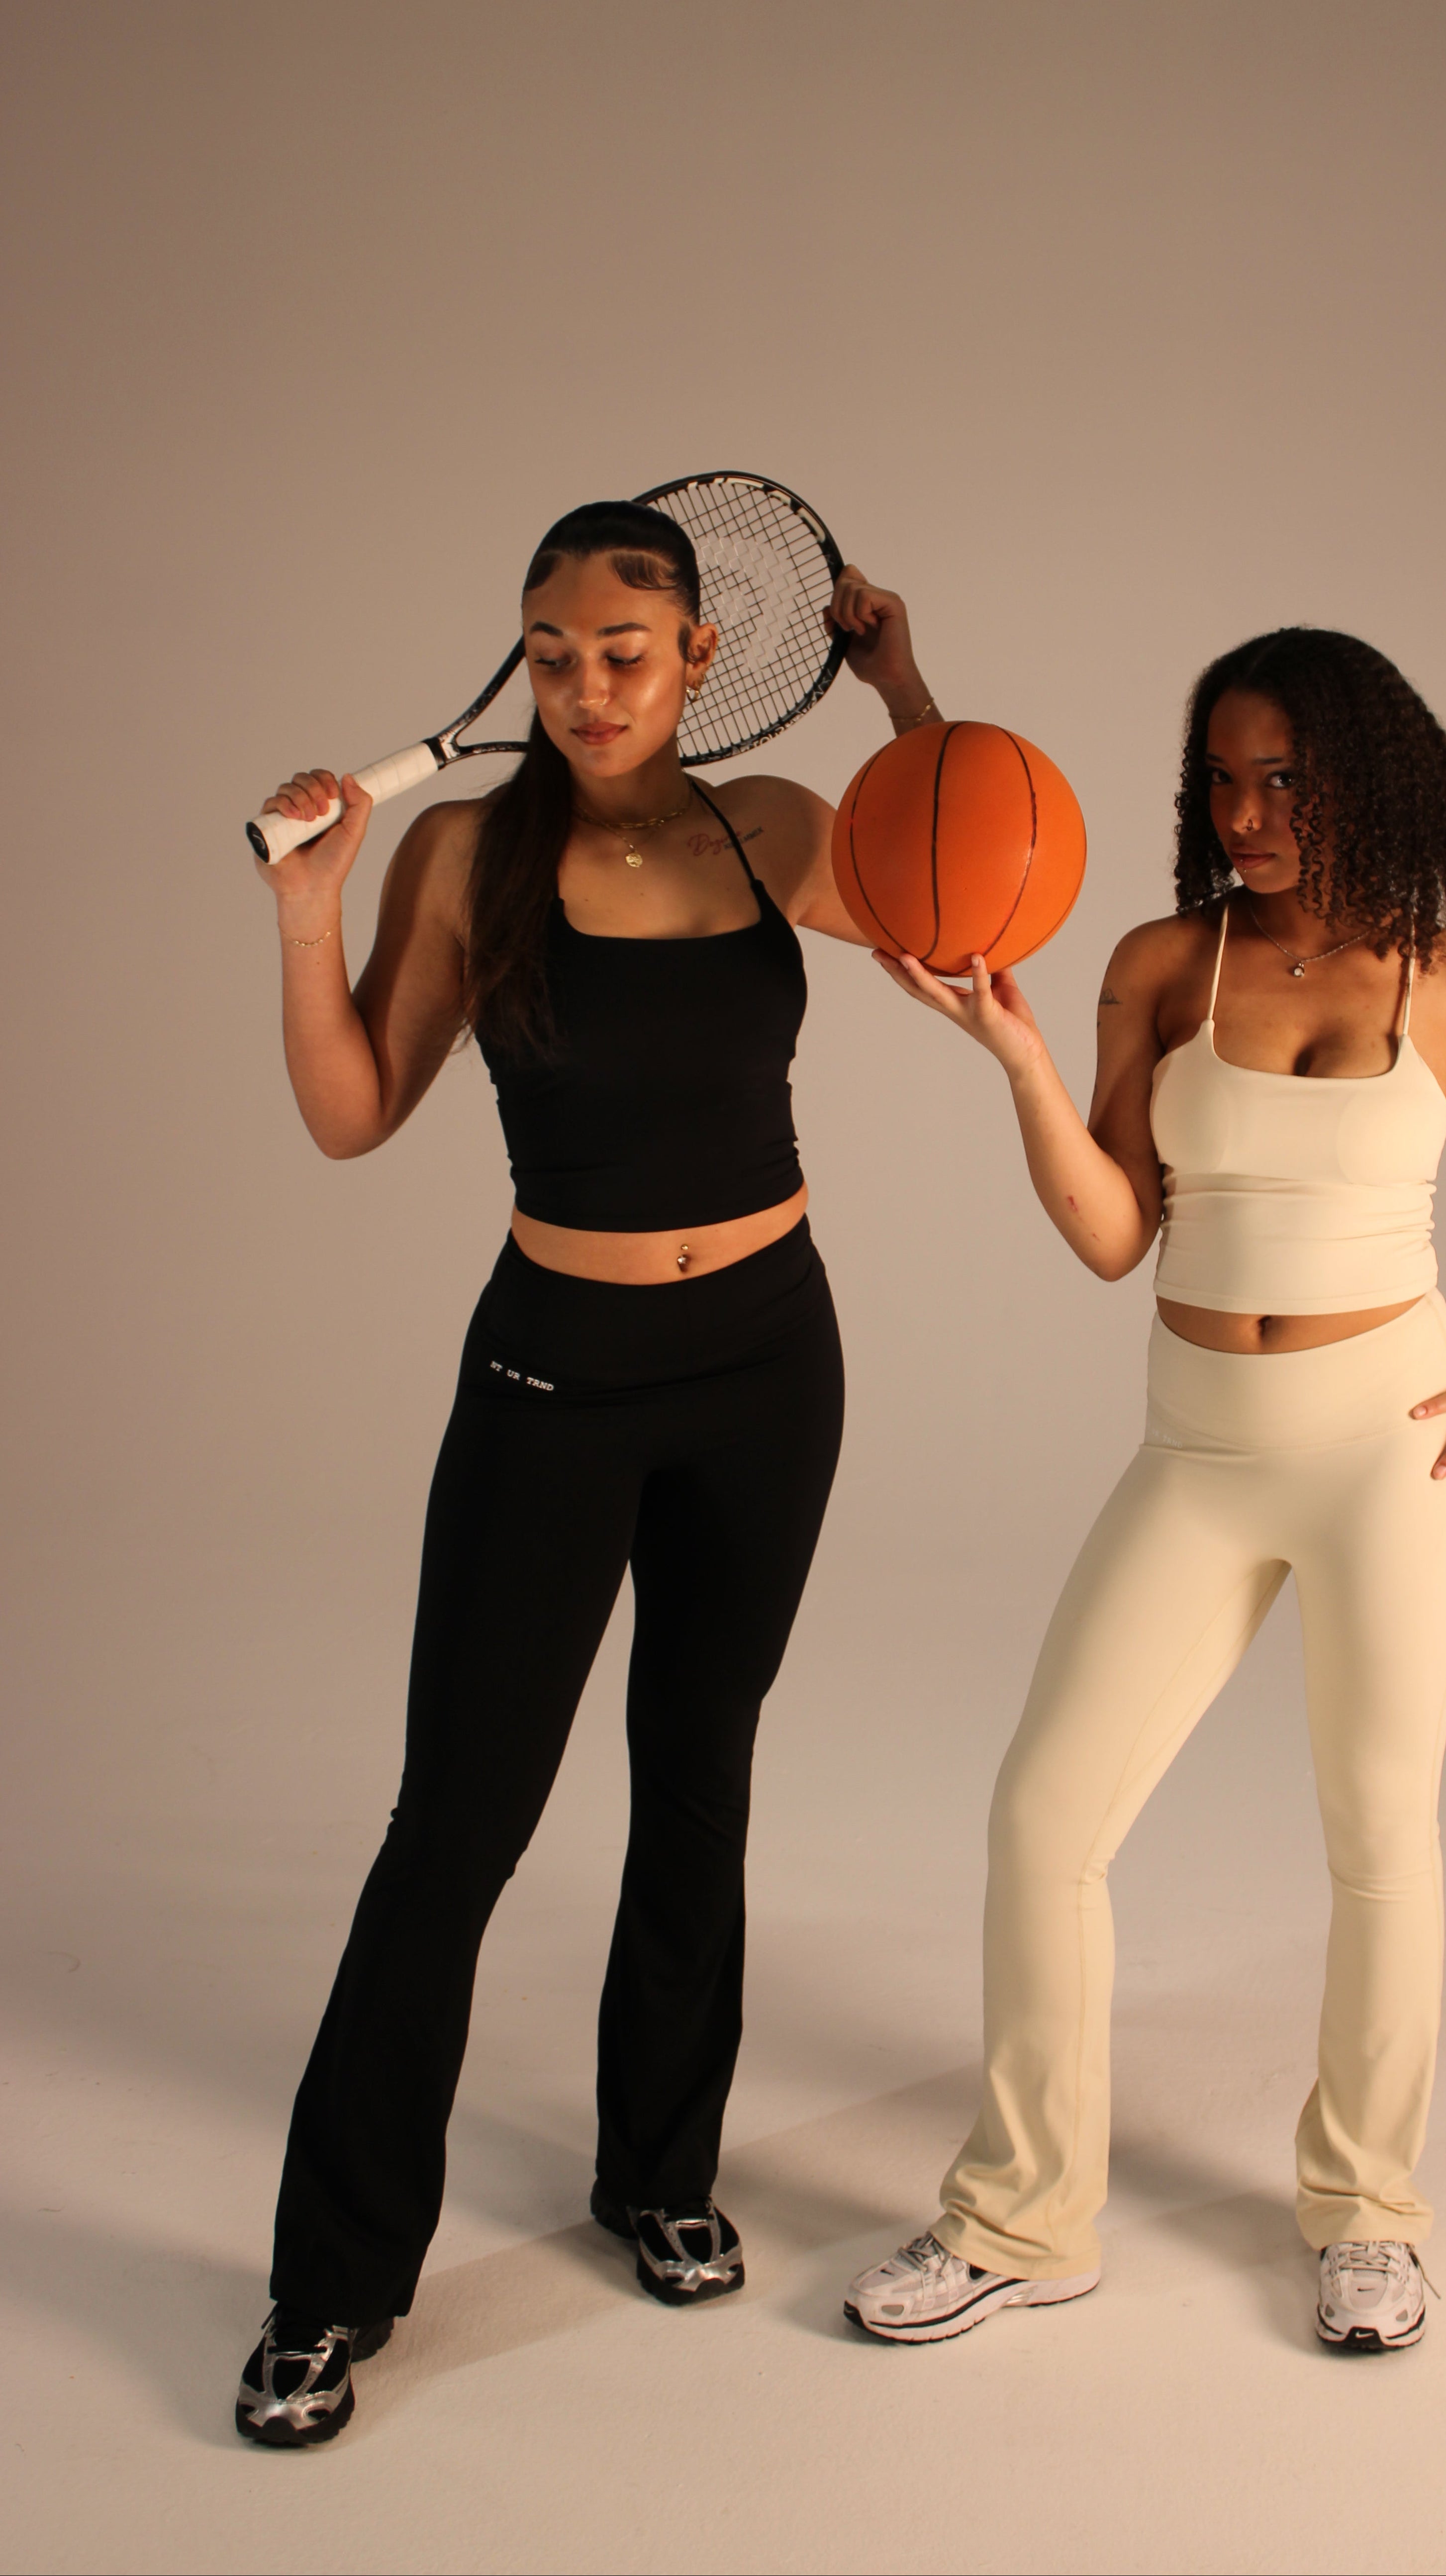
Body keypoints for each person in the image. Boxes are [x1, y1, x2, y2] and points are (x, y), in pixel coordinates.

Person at [845, 626, 1446, 2350]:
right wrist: (1023, 1066)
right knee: (1044, 1819)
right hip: (1199, 1443)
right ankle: (1023, 2214)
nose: (1248, 807)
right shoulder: (1160, 961)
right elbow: (1113, 1237)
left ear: (1371, 778)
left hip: (1395, 1449)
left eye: (1285, 774)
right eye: (1222, 774)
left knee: (1376, 1833)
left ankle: (1369, 2211)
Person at [236, 501, 938, 2445]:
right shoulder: (469, 850)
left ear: (702, 658)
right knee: (456, 1825)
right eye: (550, 650)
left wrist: (901, 689)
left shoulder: (775, 825)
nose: (583, 686)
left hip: (770, 1364)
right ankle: (329, 2283)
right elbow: (355, 1111)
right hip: (557, 1375)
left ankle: (658, 2168)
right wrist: (308, 908)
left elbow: (959, 893)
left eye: (623, 651)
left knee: (697, 1772)